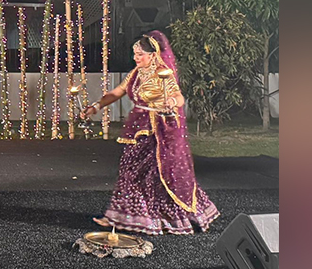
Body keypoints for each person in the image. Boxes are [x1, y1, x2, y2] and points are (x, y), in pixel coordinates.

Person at [81, 31, 220, 235]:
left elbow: (178, 97)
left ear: (153, 55)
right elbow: (117, 91)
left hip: (159, 130)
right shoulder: (136, 73)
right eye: (134, 54)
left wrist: (171, 102)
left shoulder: (163, 73)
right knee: (130, 170)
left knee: (156, 175)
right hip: (138, 127)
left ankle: (165, 217)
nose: (135, 58)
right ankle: (121, 217)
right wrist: (96, 106)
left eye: (140, 55)